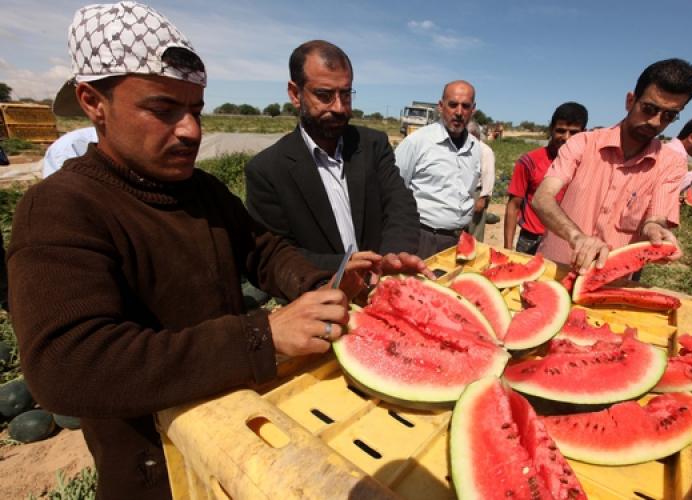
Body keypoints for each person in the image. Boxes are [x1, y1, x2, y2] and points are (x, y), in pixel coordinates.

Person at [6, 4, 418, 498]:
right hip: (156, 464)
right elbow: (65, 366)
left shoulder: (202, 190)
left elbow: (264, 251)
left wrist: (321, 283)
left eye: (196, 110)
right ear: (94, 102)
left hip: (235, 431)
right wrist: (262, 336)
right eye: (163, 110)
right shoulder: (60, 206)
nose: (190, 131)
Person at [245, 40, 421, 272]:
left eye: (346, 94)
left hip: (384, 284)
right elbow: (276, 254)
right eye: (324, 95)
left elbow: (400, 205)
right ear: (295, 94)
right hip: (320, 296)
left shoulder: (373, 145)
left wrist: (393, 257)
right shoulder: (267, 171)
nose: (339, 107)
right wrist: (342, 267)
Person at [532, 58, 692, 272]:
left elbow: (656, 219)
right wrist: (576, 236)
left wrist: (655, 232)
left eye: (669, 115)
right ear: (630, 101)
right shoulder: (583, 143)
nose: (656, 122)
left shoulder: (671, 164)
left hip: (611, 280)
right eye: (649, 109)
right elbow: (542, 198)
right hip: (554, 268)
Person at [395, 80, 481, 258]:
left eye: (465, 106)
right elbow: (393, 191)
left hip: (461, 239)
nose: (459, 112)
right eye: (453, 105)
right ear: (441, 106)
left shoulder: (475, 147)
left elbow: (469, 192)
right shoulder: (416, 142)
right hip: (423, 239)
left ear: (473, 110)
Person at [504, 102, 588, 254]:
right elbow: (513, 206)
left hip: (566, 241)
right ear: (551, 129)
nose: (566, 138)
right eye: (560, 131)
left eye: (574, 133)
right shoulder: (529, 161)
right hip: (530, 240)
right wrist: (507, 250)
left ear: (584, 133)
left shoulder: (587, 166)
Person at [466, 120, 496, 241]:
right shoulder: (467, 147)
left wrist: (482, 198)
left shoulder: (485, 150)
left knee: (475, 232)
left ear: (475, 135)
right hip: (465, 192)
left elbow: (488, 175)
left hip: (477, 194)